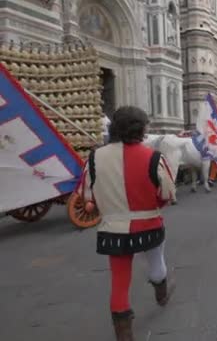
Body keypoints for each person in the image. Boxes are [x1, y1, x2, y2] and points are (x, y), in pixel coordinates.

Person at [79, 106, 176, 340]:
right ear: (141, 129)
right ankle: (161, 294)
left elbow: (87, 197)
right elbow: (167, 194)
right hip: (149, 224)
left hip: (113, 229)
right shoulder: (153, 157)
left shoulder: (94, 158)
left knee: (119, 282)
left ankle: (123, 333)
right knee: (156, 263)